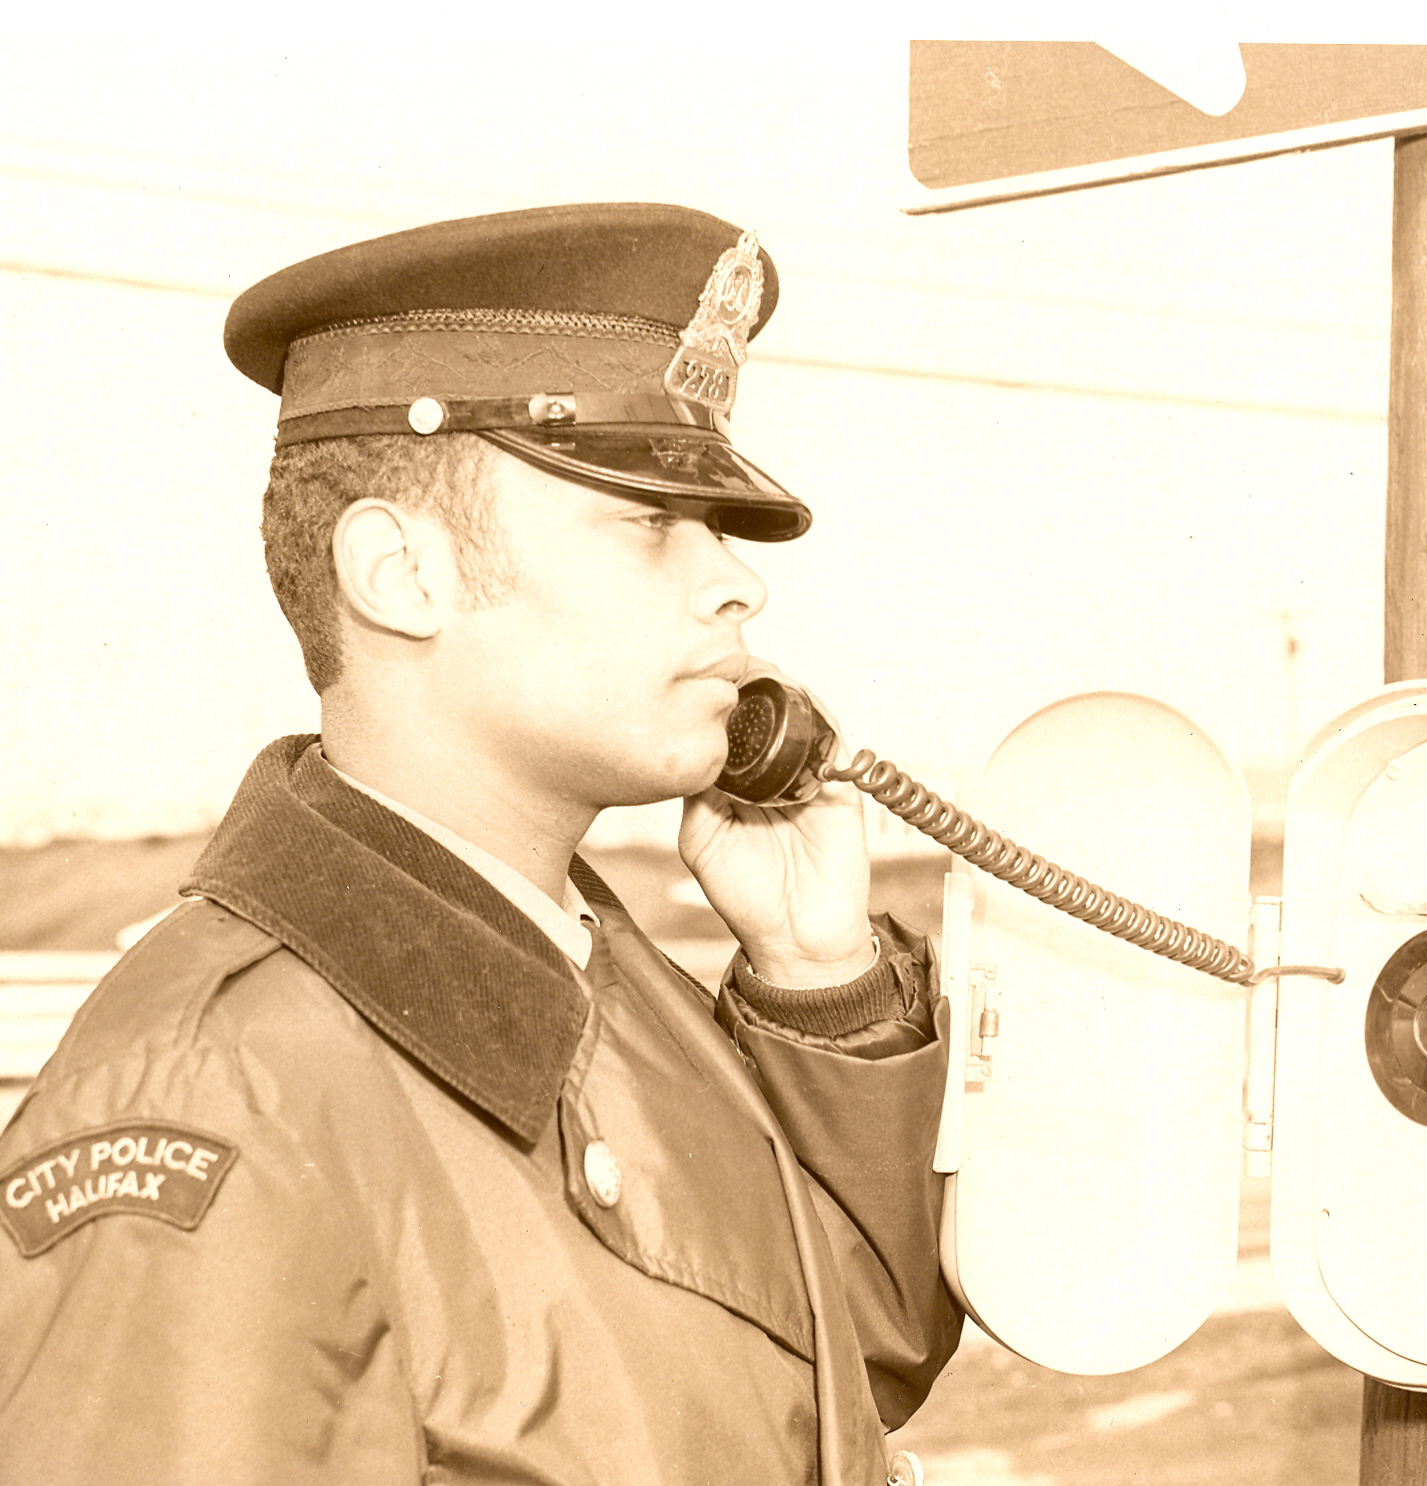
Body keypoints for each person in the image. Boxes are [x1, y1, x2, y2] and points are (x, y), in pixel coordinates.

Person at [0, 203, 962, 1485]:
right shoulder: (217, 1090)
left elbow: (832, 1368)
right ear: (402, 575)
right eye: (647, 521)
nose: (738, 583)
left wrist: (815, 977)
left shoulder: (577, 965)